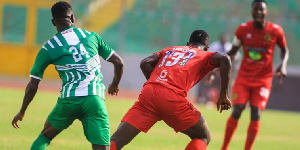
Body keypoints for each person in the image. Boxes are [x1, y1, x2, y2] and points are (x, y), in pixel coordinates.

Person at [11, 1, 124, 150]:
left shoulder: (48, 47)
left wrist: (22, 111)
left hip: (69, 101)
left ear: (53, 22)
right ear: (72, 18)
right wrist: (114, 84)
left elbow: (33, 85)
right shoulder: (92, 37)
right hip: (94, 100)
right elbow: (119, 63)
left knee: (45, 136)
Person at [110, 30, 232, 150]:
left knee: (117, 139)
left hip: (149, 93)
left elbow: (145, 63)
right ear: (206, 48)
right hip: (172, 98)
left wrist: (157, 84)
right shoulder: (205, 54)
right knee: (203, 136)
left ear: (188, 43)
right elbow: (225, 59)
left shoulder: (170, 50)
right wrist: (223, 96)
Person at [221, 0, 289, 150]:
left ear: (266, 12)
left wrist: (282, 65)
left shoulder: (276, 31)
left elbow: (284, 50)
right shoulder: (243, 29)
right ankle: (224, 148)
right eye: (256, 9)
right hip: (244, 78)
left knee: (256, 112)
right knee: (237, 110)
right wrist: (215, 66)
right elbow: (232, 52)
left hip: (263, 80)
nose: (258, 12)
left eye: (261, 9)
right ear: (252, 11)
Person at [197, 33, 235, 105]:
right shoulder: (214, 45)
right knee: (206, 83)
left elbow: (235, 57)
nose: (224, 40)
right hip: (214, 70)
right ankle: (205, 99)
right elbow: (208, 56)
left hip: (225, 72)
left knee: (227, 85)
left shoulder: (230, 47)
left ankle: (227, 99)